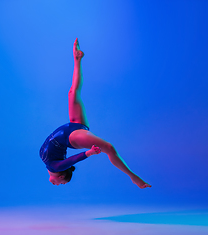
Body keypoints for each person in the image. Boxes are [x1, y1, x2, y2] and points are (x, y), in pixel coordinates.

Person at [39, 38, 151, 189]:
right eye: (62, 183)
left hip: (71, 127)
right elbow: (72, 160)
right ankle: (134, 177)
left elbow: (68, 162)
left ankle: (77, 59)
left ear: (59, 177)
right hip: (72, 138)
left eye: (61, 183)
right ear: (61, 174)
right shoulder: (55, 167)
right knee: (109, 148)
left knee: (72, 92)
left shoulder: (52, 166)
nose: (58, 184)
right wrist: (89, 153)